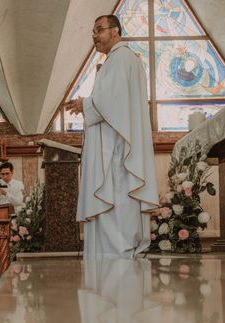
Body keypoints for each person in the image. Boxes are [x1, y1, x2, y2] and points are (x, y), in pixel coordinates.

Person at [66, 14, 158, 259]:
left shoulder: (120, 58)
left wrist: (84, 104)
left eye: (99, 29)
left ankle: (116, 256)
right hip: (116, 143)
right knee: (118, 200)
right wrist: (88, 104)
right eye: (93, 31)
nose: (95, 36)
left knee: (115, 198)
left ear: (115, 31)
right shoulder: (120, 60)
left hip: (116, 150)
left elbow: (111, 101)